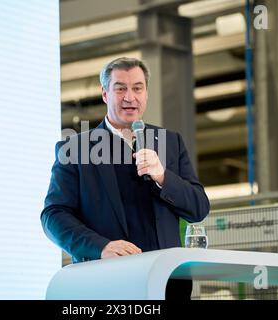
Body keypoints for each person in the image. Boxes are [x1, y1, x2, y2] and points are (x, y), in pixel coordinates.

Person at [41, 57, 210, 300]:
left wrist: (163, 176)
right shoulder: (75, 149)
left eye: (137, 88)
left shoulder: (170, 142)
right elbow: (53, 215)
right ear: (105, 94)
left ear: (146, 93)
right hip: (107, 284)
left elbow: (199, 209)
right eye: (120, 88)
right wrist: (101, 247)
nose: (130, 97)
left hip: (167, 284)